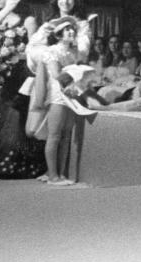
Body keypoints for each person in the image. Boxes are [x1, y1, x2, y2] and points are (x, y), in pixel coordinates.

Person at [0, 0, 44, 178]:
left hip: (17, 74)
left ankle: (14, 164)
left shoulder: (27, 20)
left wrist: (15, 56)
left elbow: (34, 49)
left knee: (14, 119)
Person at [30, 16, 97, 184]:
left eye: (72, 29)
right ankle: (53, 175)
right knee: (54, 135)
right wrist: (76, 74)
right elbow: (56, 75)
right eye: (67, 29)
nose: (71, 32)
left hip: (71, 95)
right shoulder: (51, 51)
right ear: (58, 34)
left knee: (66, 135)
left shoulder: (74, 53)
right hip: (58, 96)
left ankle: (60, 173)